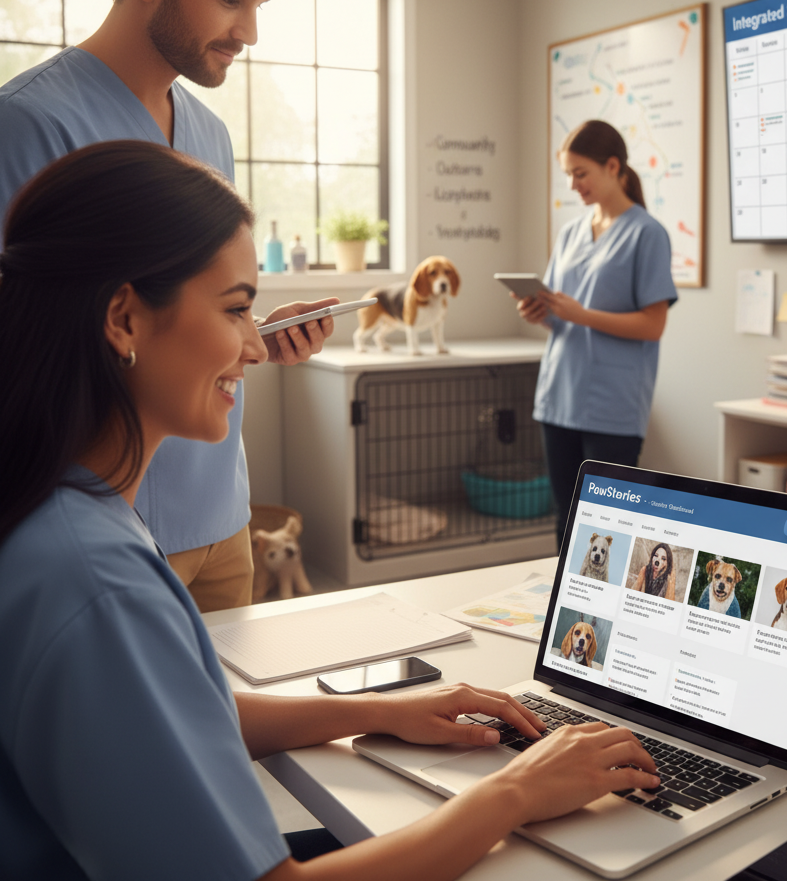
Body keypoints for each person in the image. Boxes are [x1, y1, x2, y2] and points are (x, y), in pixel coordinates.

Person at [0, 141, 660, 880]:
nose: (256, 345)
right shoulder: (98, 583)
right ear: (123, 319)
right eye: (237, 309)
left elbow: (167, 714)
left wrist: (378, 709)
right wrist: (514, 792)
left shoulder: (60, 507)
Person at [0, 0, 340, 611]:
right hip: (104, 528)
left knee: (237, 728)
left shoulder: (210, 134)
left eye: (257, 4)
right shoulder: (28, 127)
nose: (248, 31)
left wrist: (249, 332)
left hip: (222, 516)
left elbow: (181, 302)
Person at [517, 121, 677, 547]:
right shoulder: (571, 232)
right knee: (565, 523)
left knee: (610, 529)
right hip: (559, 398)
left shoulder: (648, 234)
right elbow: (561, 312)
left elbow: (653, 323)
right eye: (568, 174)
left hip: (613, 406)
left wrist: (582, 314)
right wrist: (540, 312)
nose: (573, 184)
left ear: (612, 166)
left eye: (581, 173)